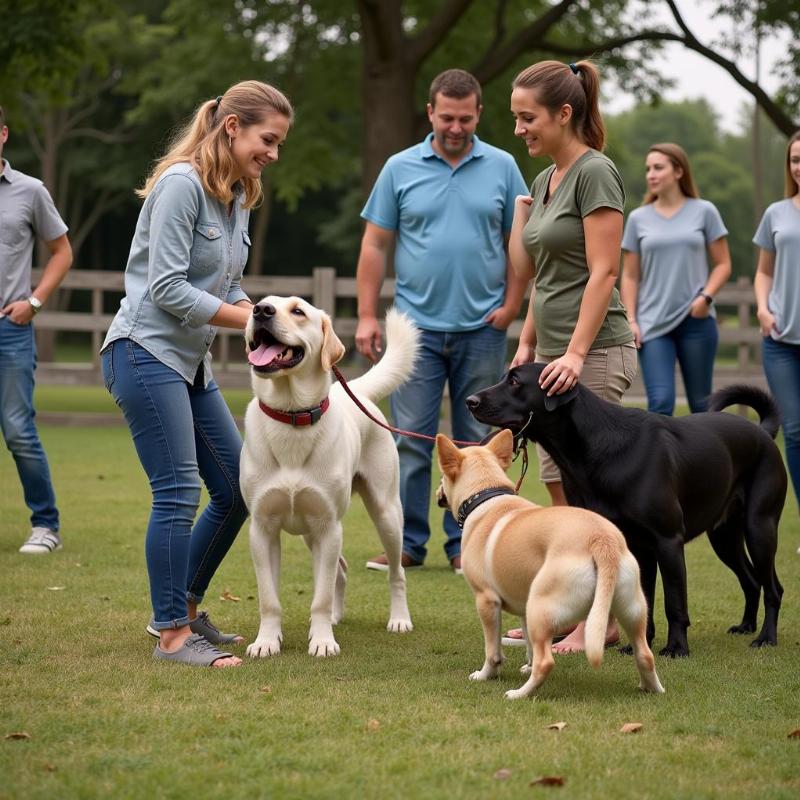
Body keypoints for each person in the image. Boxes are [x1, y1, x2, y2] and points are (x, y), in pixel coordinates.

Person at [101, 81, 292, 667]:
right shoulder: (182, 184)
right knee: (178, 491)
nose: (273, 154)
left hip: (191, 364)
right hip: (142, 351)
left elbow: (225, 284)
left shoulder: (237, 194)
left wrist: (273, 317)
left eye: (280, 143)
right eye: (267, 139)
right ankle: (172, 634)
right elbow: (164, 288)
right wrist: (255, 320)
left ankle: (184, 606)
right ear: (231, 126)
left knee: (238, 488)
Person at [356, 69, 528, 574]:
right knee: (411, 440)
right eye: (447, 117)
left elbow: (520, 242)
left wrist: (513, 303)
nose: (456, 127)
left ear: (479, 113)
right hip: (416, 332)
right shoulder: (399, 168)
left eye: (466, 118)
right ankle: (408, 543)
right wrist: (368, 314)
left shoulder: (502, 166)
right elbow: (375, 244)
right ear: (431, 113)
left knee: (477, 440)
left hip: (483, 327)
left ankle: (466, 544)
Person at [503, 60, 636, 653]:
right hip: (552, 355)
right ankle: (577, 611)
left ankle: (604, 619)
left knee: (595, 498)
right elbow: (542, 276)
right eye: (515, 118)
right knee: (563, 494)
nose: (519, 130)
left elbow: (605, 271)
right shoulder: (548, 179)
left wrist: (578, 354)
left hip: (596, 354)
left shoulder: (595, 174)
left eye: (527, 118)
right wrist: (529, 343)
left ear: (564, 113)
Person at [0, 105, 74, 555]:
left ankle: (45, 524)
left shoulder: (30, 192)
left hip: (8, 328)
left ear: (4, 134)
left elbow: (61, 251)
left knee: (17, 428)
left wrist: (35, 301)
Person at [620, 143, 731, 415]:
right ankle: (664, 460)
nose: (651, 175)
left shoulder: (704, 211)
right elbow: (630, 275)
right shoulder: (638, 218)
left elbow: (723, 264)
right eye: (648, 169)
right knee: (660, 403)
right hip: (652, 323)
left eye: (658, 168)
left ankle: (708, 459)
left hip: (696, 322)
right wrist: (631, 320)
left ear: (678, 171)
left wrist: (706, 298)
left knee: (703, 405)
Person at [753, 129, 800, 533]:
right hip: (781, 340)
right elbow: (764, 271)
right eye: (795, 160)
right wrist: (763, 309)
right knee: (796, 431)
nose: (799, 167)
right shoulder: (777, 213)